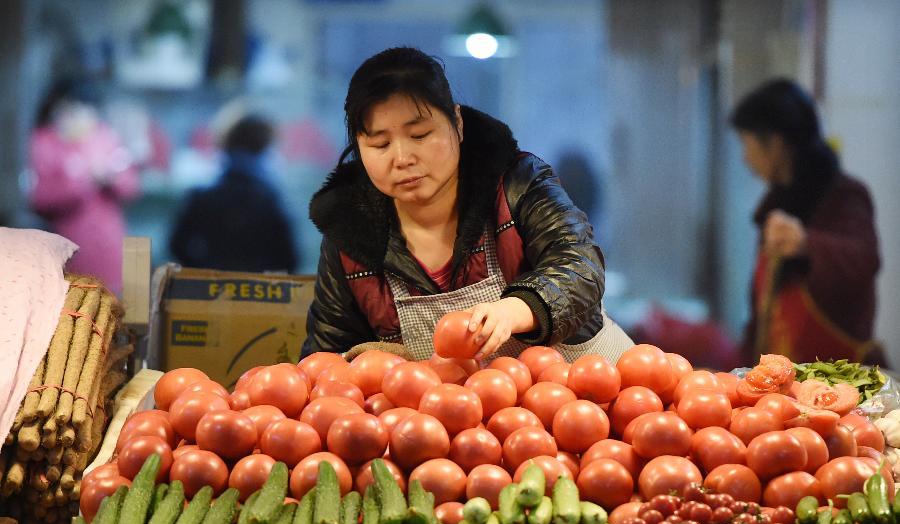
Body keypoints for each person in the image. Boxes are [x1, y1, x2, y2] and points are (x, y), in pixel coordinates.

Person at [301, 47, 633, 362]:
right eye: (380, 143)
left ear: (457, 124)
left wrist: (515, 309)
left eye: (419, 135)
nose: (402, 158)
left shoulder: (517, 183)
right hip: (456, 418)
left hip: (588, 399)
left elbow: (579, 264)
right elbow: (329, 354)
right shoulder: (349, 233)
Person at [731, 78, 886, 366]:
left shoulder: (845, 195)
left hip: (842, 380)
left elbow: (865, 259)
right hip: (780, 383)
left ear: (775, 144)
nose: (745, 158)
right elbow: (761, 313)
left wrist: (806, 243)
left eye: (747, 143)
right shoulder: (774, 205)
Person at [29, 80, 140, 295]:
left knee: (113, 313)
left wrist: (110, 178)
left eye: (84, 109)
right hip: (65, 247)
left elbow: (131, 186)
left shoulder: (104, 138)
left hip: (110, 246)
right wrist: (84, 180)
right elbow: (39, 197)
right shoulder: (44, 142)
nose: (77, 116)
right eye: (69, 109)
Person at [169, 113, 298, 273]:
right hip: (258, 291)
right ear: (263, 147)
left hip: (209, 290)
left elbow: (177, 245)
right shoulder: (270, 200)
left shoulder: (201, 196)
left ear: (225, 142)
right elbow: (289, 258)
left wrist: (202, 272)